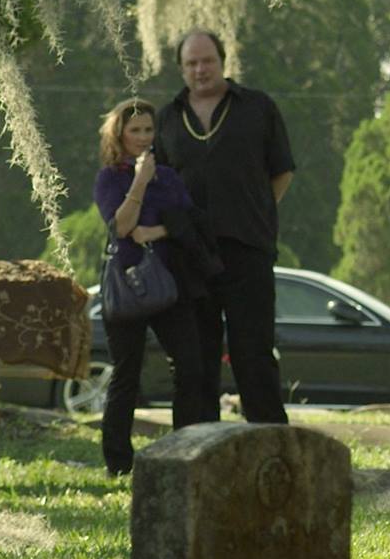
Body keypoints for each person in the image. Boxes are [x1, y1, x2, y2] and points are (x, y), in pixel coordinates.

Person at [153, 30, 294, 426]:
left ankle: (269, 441)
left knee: (253, 353)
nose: (200, 70)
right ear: (181, 69)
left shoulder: (257, 108)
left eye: (207, 61)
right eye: (191, 63)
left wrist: (257, 211)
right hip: (189, 256)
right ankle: (195, 445)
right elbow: (159, 186)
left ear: (222, 61)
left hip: (247, 248)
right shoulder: (167, 119)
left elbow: (282, 171)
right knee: (196, 358)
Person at [93, 98, 217, 476]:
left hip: (169, 283)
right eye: (135, 131)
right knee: (126, 373)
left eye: (149, 130)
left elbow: (192, 222)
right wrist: (140, 181)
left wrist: (159, 230)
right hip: (128, 284)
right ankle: (118, 462)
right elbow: (121, 227)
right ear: (119, 135)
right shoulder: (110, 178)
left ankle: (183, 452)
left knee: (191, 368)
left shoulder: (170, 178)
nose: (144, 137)